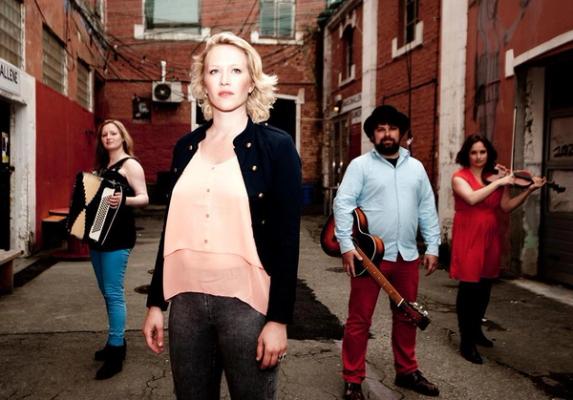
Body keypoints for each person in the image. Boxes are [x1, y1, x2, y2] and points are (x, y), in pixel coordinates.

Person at [142, 32, 301, 399]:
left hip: (247, 305)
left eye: (236, 70)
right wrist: (155, 303)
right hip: (186, 304)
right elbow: (171, 229)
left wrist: (278, 320)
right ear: (203, 82)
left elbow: (287, 240)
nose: (225, 79)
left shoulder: (276, 146)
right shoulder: (185, 147)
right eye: (214, 71)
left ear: (251, 82)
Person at [333, 105, 441, 399]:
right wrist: (346, 246)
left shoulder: (416, 168)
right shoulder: (360, 166)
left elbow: (426, 208)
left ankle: (407, 371)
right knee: (359, 320)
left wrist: (433, 245)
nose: (387, 134)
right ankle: (353, 378)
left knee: (407, 316)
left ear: (401, 133)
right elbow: (343, 204)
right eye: (380, 129)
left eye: (392, 128)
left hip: (407, 255)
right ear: (373, 135)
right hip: (369, 257)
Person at [450, 134, 545, 364]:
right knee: (469, 288)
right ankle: (466, 341)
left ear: (488, 153)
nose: (478, 157)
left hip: (490, 236)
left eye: (482, 152)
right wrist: (500, 182)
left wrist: (528, 190)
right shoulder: (459, 177)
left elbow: (506, 206)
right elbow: (472, 198)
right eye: (473, 152)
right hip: (469, 234)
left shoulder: (496, 177)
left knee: (485, 287)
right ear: (467, 154)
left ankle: (476, 330)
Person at [90, 119, 149, 379]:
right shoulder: (104, 168)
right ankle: (115, 340)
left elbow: (144, 197)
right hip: (97, 235)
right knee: (106, 290)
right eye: (104, 134)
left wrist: (124, 200)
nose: (108, 137)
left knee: (114, 293)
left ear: (122, 137)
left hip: (118, 237)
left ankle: (116, 350)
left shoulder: (130, 164)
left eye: (113, 133)